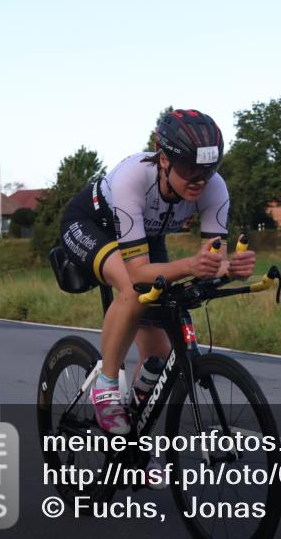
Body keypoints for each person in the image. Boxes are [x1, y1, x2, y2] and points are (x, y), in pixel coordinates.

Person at [58, 108, 256, 438]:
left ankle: (131, 438)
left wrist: (229, 268)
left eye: (209, 168)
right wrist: (190, 265)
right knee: (133, 289)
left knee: (160, 356)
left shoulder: (215, 189)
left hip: (145, 237)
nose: (200, 179)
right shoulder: (133, 178)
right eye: (190, 168)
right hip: (91, 225)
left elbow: (210, 259)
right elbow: (138, 273)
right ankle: (105, 389)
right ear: (163, 159)